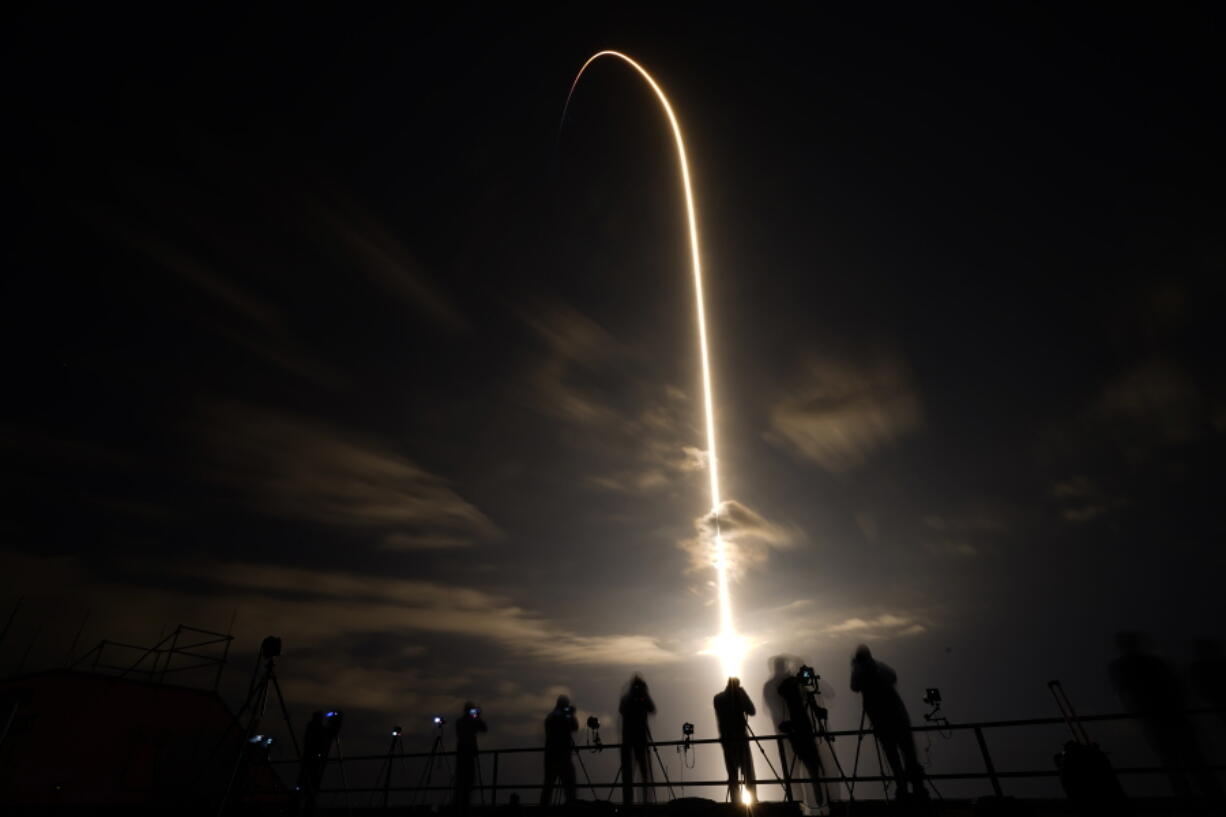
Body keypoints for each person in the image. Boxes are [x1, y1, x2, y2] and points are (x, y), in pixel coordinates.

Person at [1109, 631, 1222, 803]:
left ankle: (1187, 798)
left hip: (1154, 718)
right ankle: (1212, 797)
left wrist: (1137, 713)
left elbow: (1125, 694)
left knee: (1172, 761)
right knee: (1193, 759)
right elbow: (1177, 686)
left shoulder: (1123, 666)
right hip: (1172, 714)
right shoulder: (1155, 662)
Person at [850, 645, 926, 802]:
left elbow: (854, 686)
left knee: (894, 755)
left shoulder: (866, 671)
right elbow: (892, 677)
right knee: (907, 752)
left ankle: (903, 787)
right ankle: (916, 787)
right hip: (897, 716)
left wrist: (857, 669)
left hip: (882, 720)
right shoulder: (880, 668)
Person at [777, 664, 827, 812]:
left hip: (804, 731)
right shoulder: (789, 687)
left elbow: (813, 706)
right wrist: (795, 681)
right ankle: (815, 804)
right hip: (801, 732)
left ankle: (819, 803)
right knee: (811, 767)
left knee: (814, 769)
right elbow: (781, 690)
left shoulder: (800, 690)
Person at [713, 676, 757, 804]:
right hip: (740, 738)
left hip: (727, 740)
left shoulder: (718, 698)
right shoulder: (738, 696)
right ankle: (753, 801)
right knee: (748, 771)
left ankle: (736, 801)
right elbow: (752, 711)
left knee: (732, 773)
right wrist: (743, 695)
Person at [619, 674, 656, 805]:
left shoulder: (640, 699)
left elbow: (652, 709)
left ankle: (646, 800)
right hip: (631, 741)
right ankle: (629, 802)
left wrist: (644, 696)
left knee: (644, 773)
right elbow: (622, 710)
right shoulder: (627, 700)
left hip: (638, 740)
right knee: (629, 774)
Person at [541, 694, 579, 805]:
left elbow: (573, 726)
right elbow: (573, 726)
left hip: (552, 756)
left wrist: (569, 715)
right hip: (562, 757)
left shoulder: (551, 716)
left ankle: (543, 807)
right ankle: (570, 805)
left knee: (548, 785)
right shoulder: (558, 716)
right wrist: (570, 714)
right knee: (569, 784)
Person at [454, 701, 487, 813]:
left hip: (462, 753)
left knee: (461, 780)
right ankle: (464, 805)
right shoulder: (469, 722)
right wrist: (477, 718)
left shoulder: (460, 722)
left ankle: (460, 804)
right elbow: (484, 728)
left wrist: (475, 719)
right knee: (467, 780)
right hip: (468, 753)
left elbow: (483, 728)